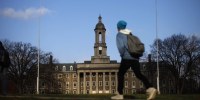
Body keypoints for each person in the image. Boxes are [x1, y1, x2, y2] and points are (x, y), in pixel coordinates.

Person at [111, 20, 157, 100]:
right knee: (138, 74)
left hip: (126, 57)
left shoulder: (119, 35)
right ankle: (150, 88)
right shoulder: (130, 34)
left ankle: (120, 94)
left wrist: (122, 55)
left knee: (120, 74)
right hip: (135, 57)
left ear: (118, 27)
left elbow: (121, 47)